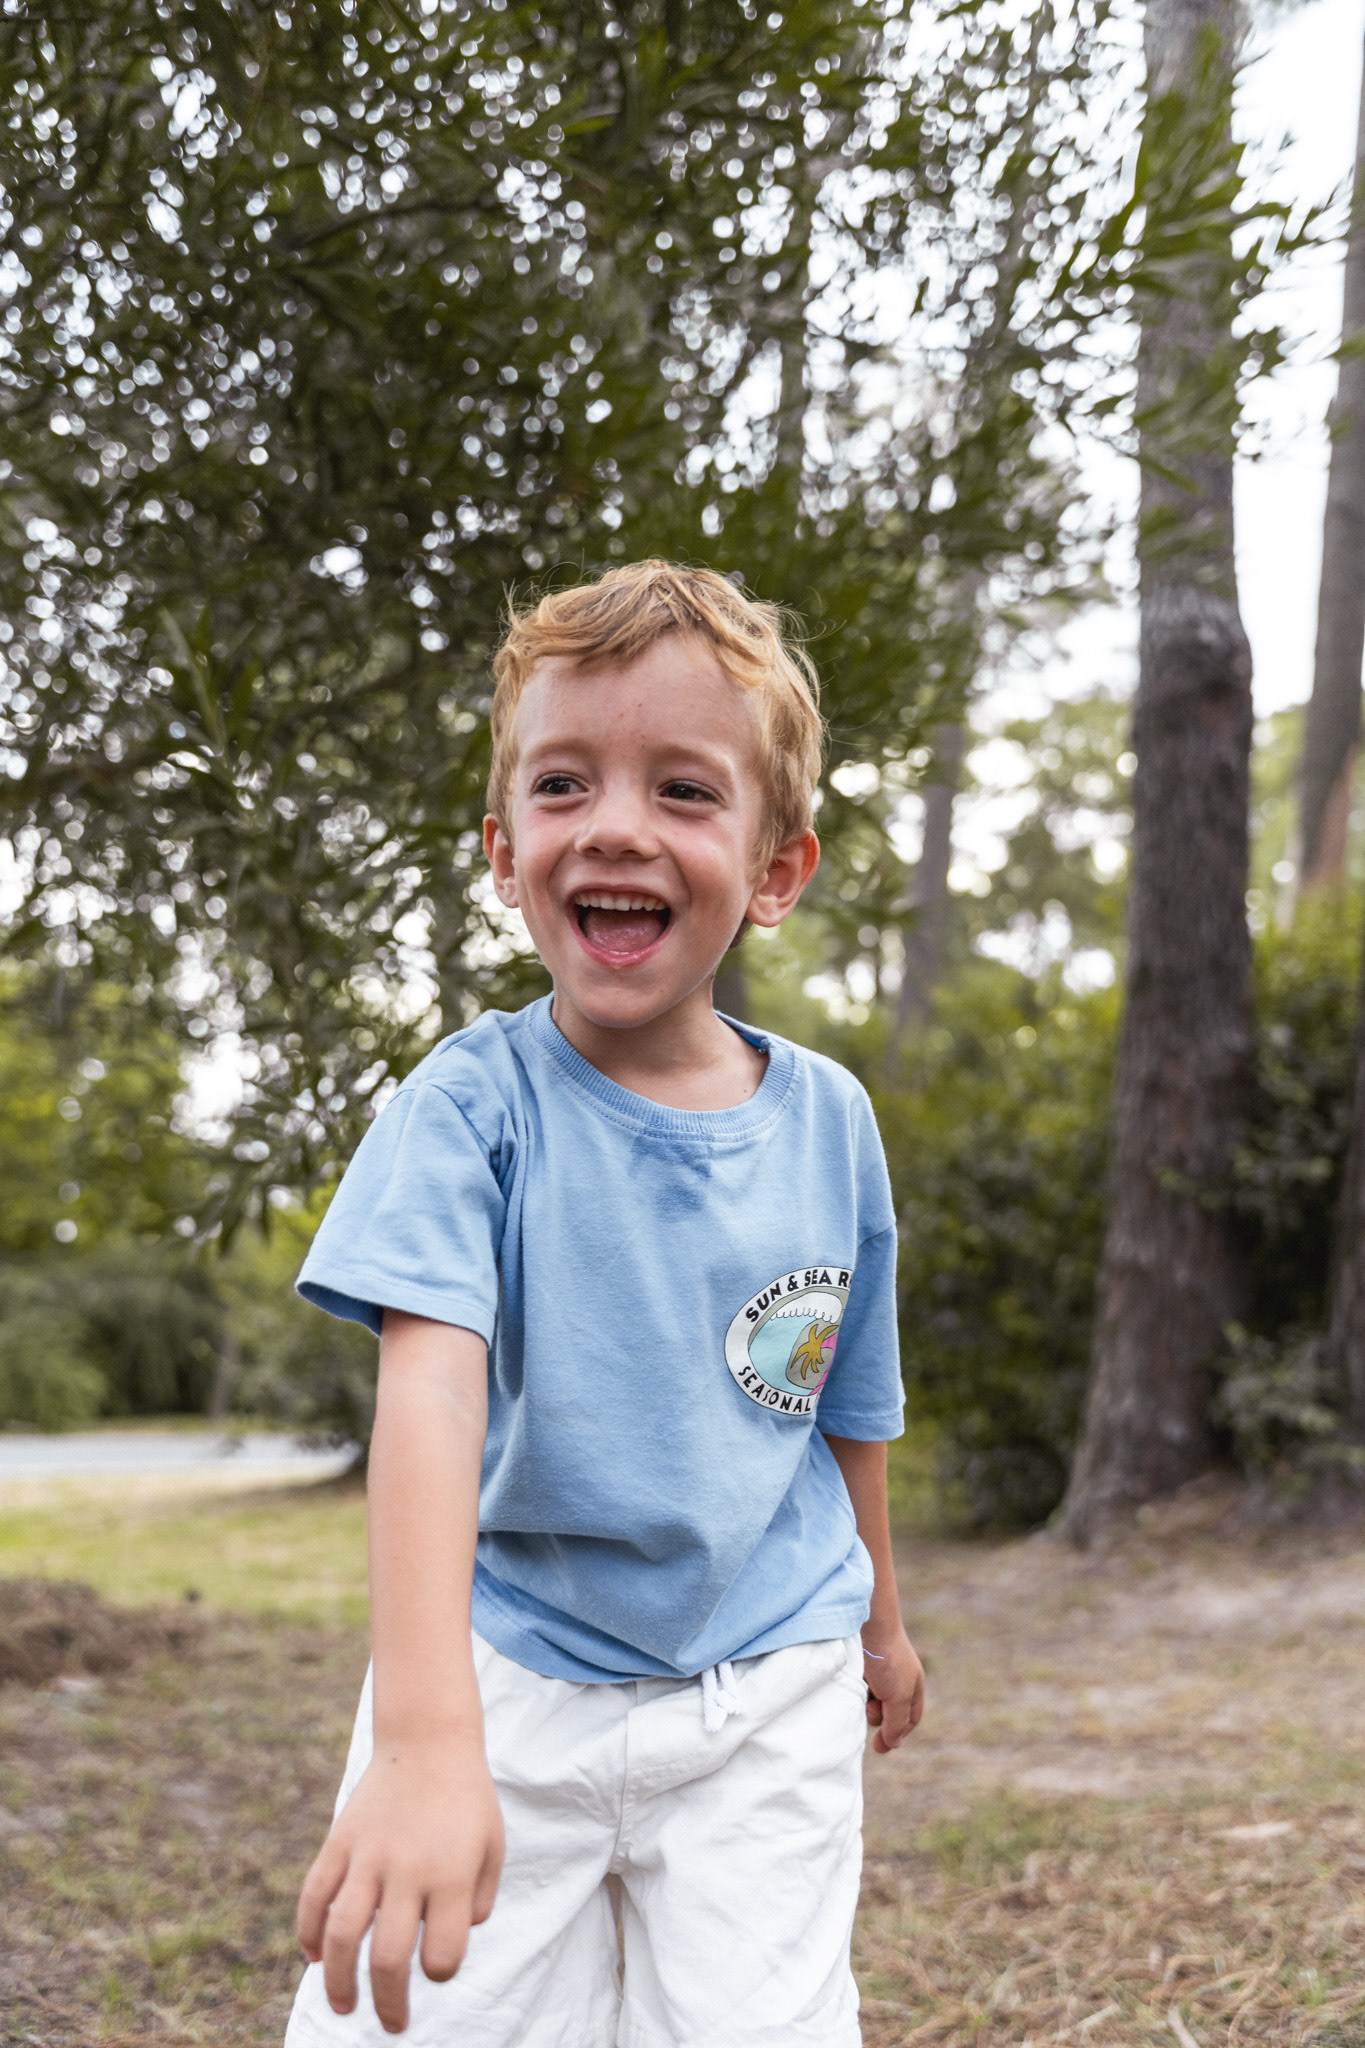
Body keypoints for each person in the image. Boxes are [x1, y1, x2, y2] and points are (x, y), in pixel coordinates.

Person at [283, 561, 925, 2048]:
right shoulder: (472, 1107)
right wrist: (428, 1743)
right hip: (518, 1681)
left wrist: (880, 1622)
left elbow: (846, 1399)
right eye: (565, 784)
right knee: (405, 2022)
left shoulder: (829, 1121)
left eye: (684, 791)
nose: (617, 825)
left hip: (767, 1690)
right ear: (506, 855)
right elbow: (429, 1393)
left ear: (776, 868)